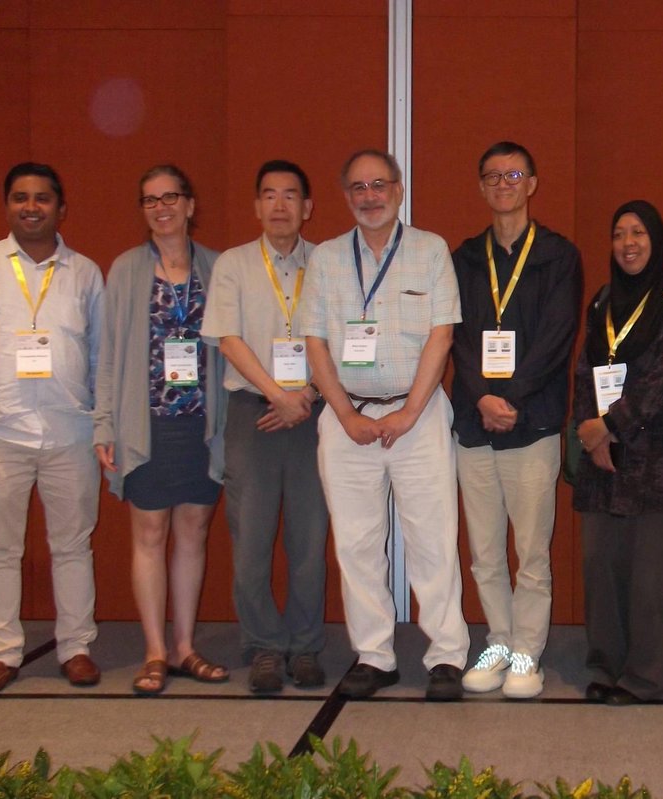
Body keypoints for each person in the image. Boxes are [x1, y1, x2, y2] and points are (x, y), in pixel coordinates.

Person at [301, 149, 469, 701]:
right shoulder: (326, 258)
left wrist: (408, 411)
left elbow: (441, 337)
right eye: (357, 188)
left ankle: (446, 654)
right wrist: (346, 414)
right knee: (356, 542)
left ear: (398, 190)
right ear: (346, 196)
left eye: (379, 185)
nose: (369, 196)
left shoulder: (429, 251)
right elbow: (316, 342)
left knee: (433, 539)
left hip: (416, 416)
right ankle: (374, 656)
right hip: (347, 418)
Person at [0, 162, 103, 695]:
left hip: (70, 434)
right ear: (7, 205)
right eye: (19, 198)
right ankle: (2, 651)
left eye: (41, 199)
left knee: (73, 545)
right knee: (0, 550)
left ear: (61, 207)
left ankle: (75, 647)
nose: (30, 207)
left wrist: (99, 421)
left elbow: (101, 355)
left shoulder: (85, 272)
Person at [451, 141, 582, 699]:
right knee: (484, 551)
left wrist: (510, 397)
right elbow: (452, 336)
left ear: (532, 183)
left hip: (533, 421)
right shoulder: (463, 258)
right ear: (481, 188)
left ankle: (528, 652)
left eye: (514, 174)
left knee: (531, 551)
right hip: (475, 423)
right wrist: (483, 398)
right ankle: (499, 642)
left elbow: (557, 337)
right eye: (492, 176)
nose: (503, 184)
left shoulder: (558, 255)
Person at [94, 164, 227, 695]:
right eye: (150, 200)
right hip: (144, 425)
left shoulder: (217, 268)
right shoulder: (126, 270)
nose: (161, 207)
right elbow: (107, 357)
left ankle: (184, 647)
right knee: (149, 536)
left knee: (193, 533)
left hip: (202, 427)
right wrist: (104, 423)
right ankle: (153, 651)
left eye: (170, 197)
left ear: (191, 205)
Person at [202, 160, 329, 693]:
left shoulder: (327, 263)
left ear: (307, 207)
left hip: (315, 413)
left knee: (310, 540)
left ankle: (303, 646)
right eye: (269, 196)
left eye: (290, 196)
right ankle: (262, 647)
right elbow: (227, 338)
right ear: (256, 206)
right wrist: (279, 395)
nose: (279, 206)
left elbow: (344, 342)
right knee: (250, 540)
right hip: (253, 412)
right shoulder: (232, 264)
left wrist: (309, 396)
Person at [573, 200, 663, 706]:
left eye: (638, 234)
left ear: (656, 241)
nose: (628, 244)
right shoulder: (603, 300)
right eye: (619, 233)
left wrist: (610, 426)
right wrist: (590, 433)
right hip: (601, 457)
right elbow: (585, 371)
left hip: (656, 457)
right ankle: (606, 664)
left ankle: (645, 677)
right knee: (600, 565)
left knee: (650, 575)